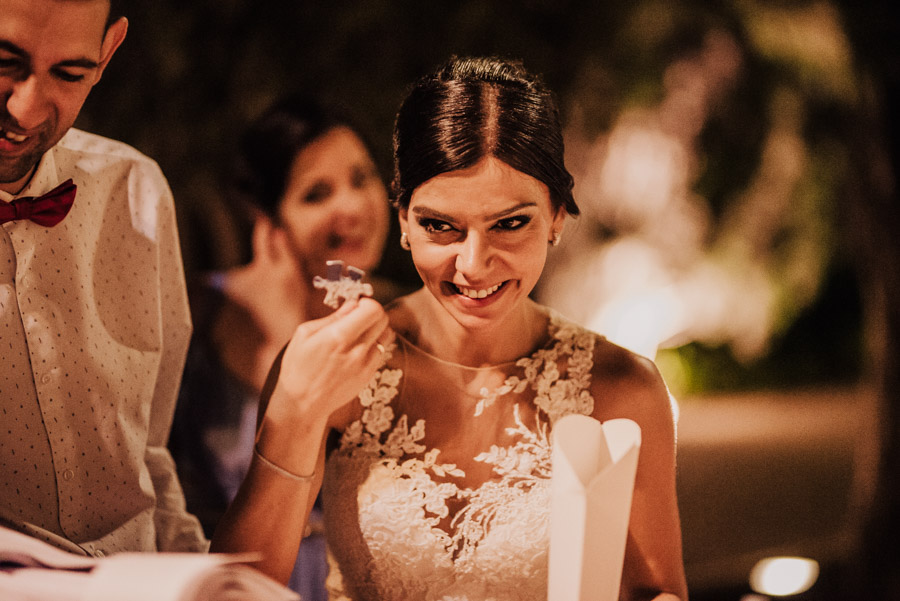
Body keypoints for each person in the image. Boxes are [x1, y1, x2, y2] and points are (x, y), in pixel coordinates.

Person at [213, 56, 688, 601]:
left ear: (557, 214)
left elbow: (659, 590)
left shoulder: (623, 388)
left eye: (510, 224)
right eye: (441, 226)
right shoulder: (329, 368)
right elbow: (234, 590)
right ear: (403, 220)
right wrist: (294, 415)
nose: (473, 264)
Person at [169, 97, 394, 600]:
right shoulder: (200, 315)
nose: (353, 206)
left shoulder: (405, 317)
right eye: (317, 193)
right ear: (267, 215)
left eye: (362, 179)